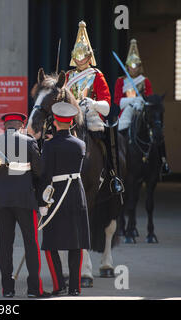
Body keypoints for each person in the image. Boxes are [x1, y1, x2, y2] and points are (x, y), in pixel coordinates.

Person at [0, 112, 50, 299]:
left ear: (5, 127)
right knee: (31, 245)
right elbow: (39, 171)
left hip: (3, 201)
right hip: (25, 200)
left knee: (4, 246)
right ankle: (34, 289)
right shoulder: (29, 141)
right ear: (21, 125)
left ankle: (7, 289)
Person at [65, 20, 124, 195]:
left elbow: (106, 102)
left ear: (89, 57)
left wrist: (94, 103)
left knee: (107, 139)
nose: (80, 58)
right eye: (77, 55)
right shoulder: (68, 75)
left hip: (90, 114)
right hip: (70, 115)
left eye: (83, 55)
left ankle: (113, 175)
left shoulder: (97, 76)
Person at [39, 102, 91, 296]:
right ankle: (75, 288)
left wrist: (41, 202)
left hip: (55, 196)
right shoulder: (81, 144)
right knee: (75, 244)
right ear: (71, 122)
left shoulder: (49, 145)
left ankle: (59, 285)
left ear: (55, 122)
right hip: (77, 195)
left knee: (50, 243)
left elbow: (45, 175)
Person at [114, 39, 170, 174]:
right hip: (127, 111)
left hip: (142, 110)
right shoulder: (120, 81)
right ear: (127, 67)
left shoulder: (145, 81)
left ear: (139, 67)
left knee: (157, 131)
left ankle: (163, 161)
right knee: (118, 132)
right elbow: (117, 100)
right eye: (131, 66)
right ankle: (117, 162)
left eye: (136, 66)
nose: (133, 69)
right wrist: (132, 101)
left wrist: (141, 101)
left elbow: (149, 98)